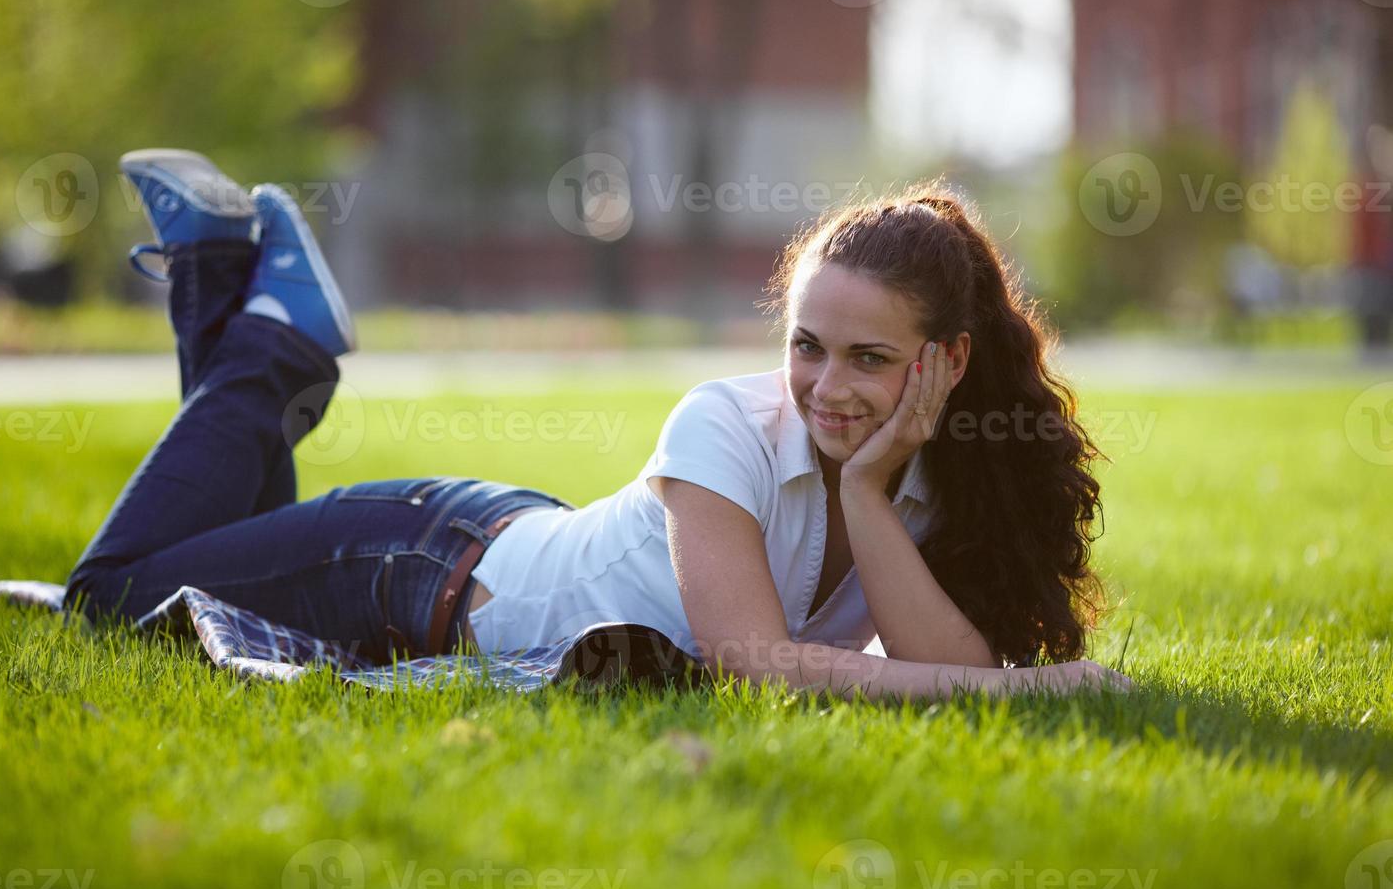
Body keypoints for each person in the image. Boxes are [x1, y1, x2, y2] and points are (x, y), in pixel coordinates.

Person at [65, 150, 1133, 701]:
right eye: (807, 344)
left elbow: (952, 669)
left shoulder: (917, 469)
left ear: (944, 361)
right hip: (415, 559)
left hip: (494, 543)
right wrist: (1036, 686)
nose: (826, 387)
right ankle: (281, 343)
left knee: (192, 564)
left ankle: (217, 264)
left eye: (871, 358)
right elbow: (760, 664)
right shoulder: (722, 421)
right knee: (109, 593)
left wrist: (867, 492)